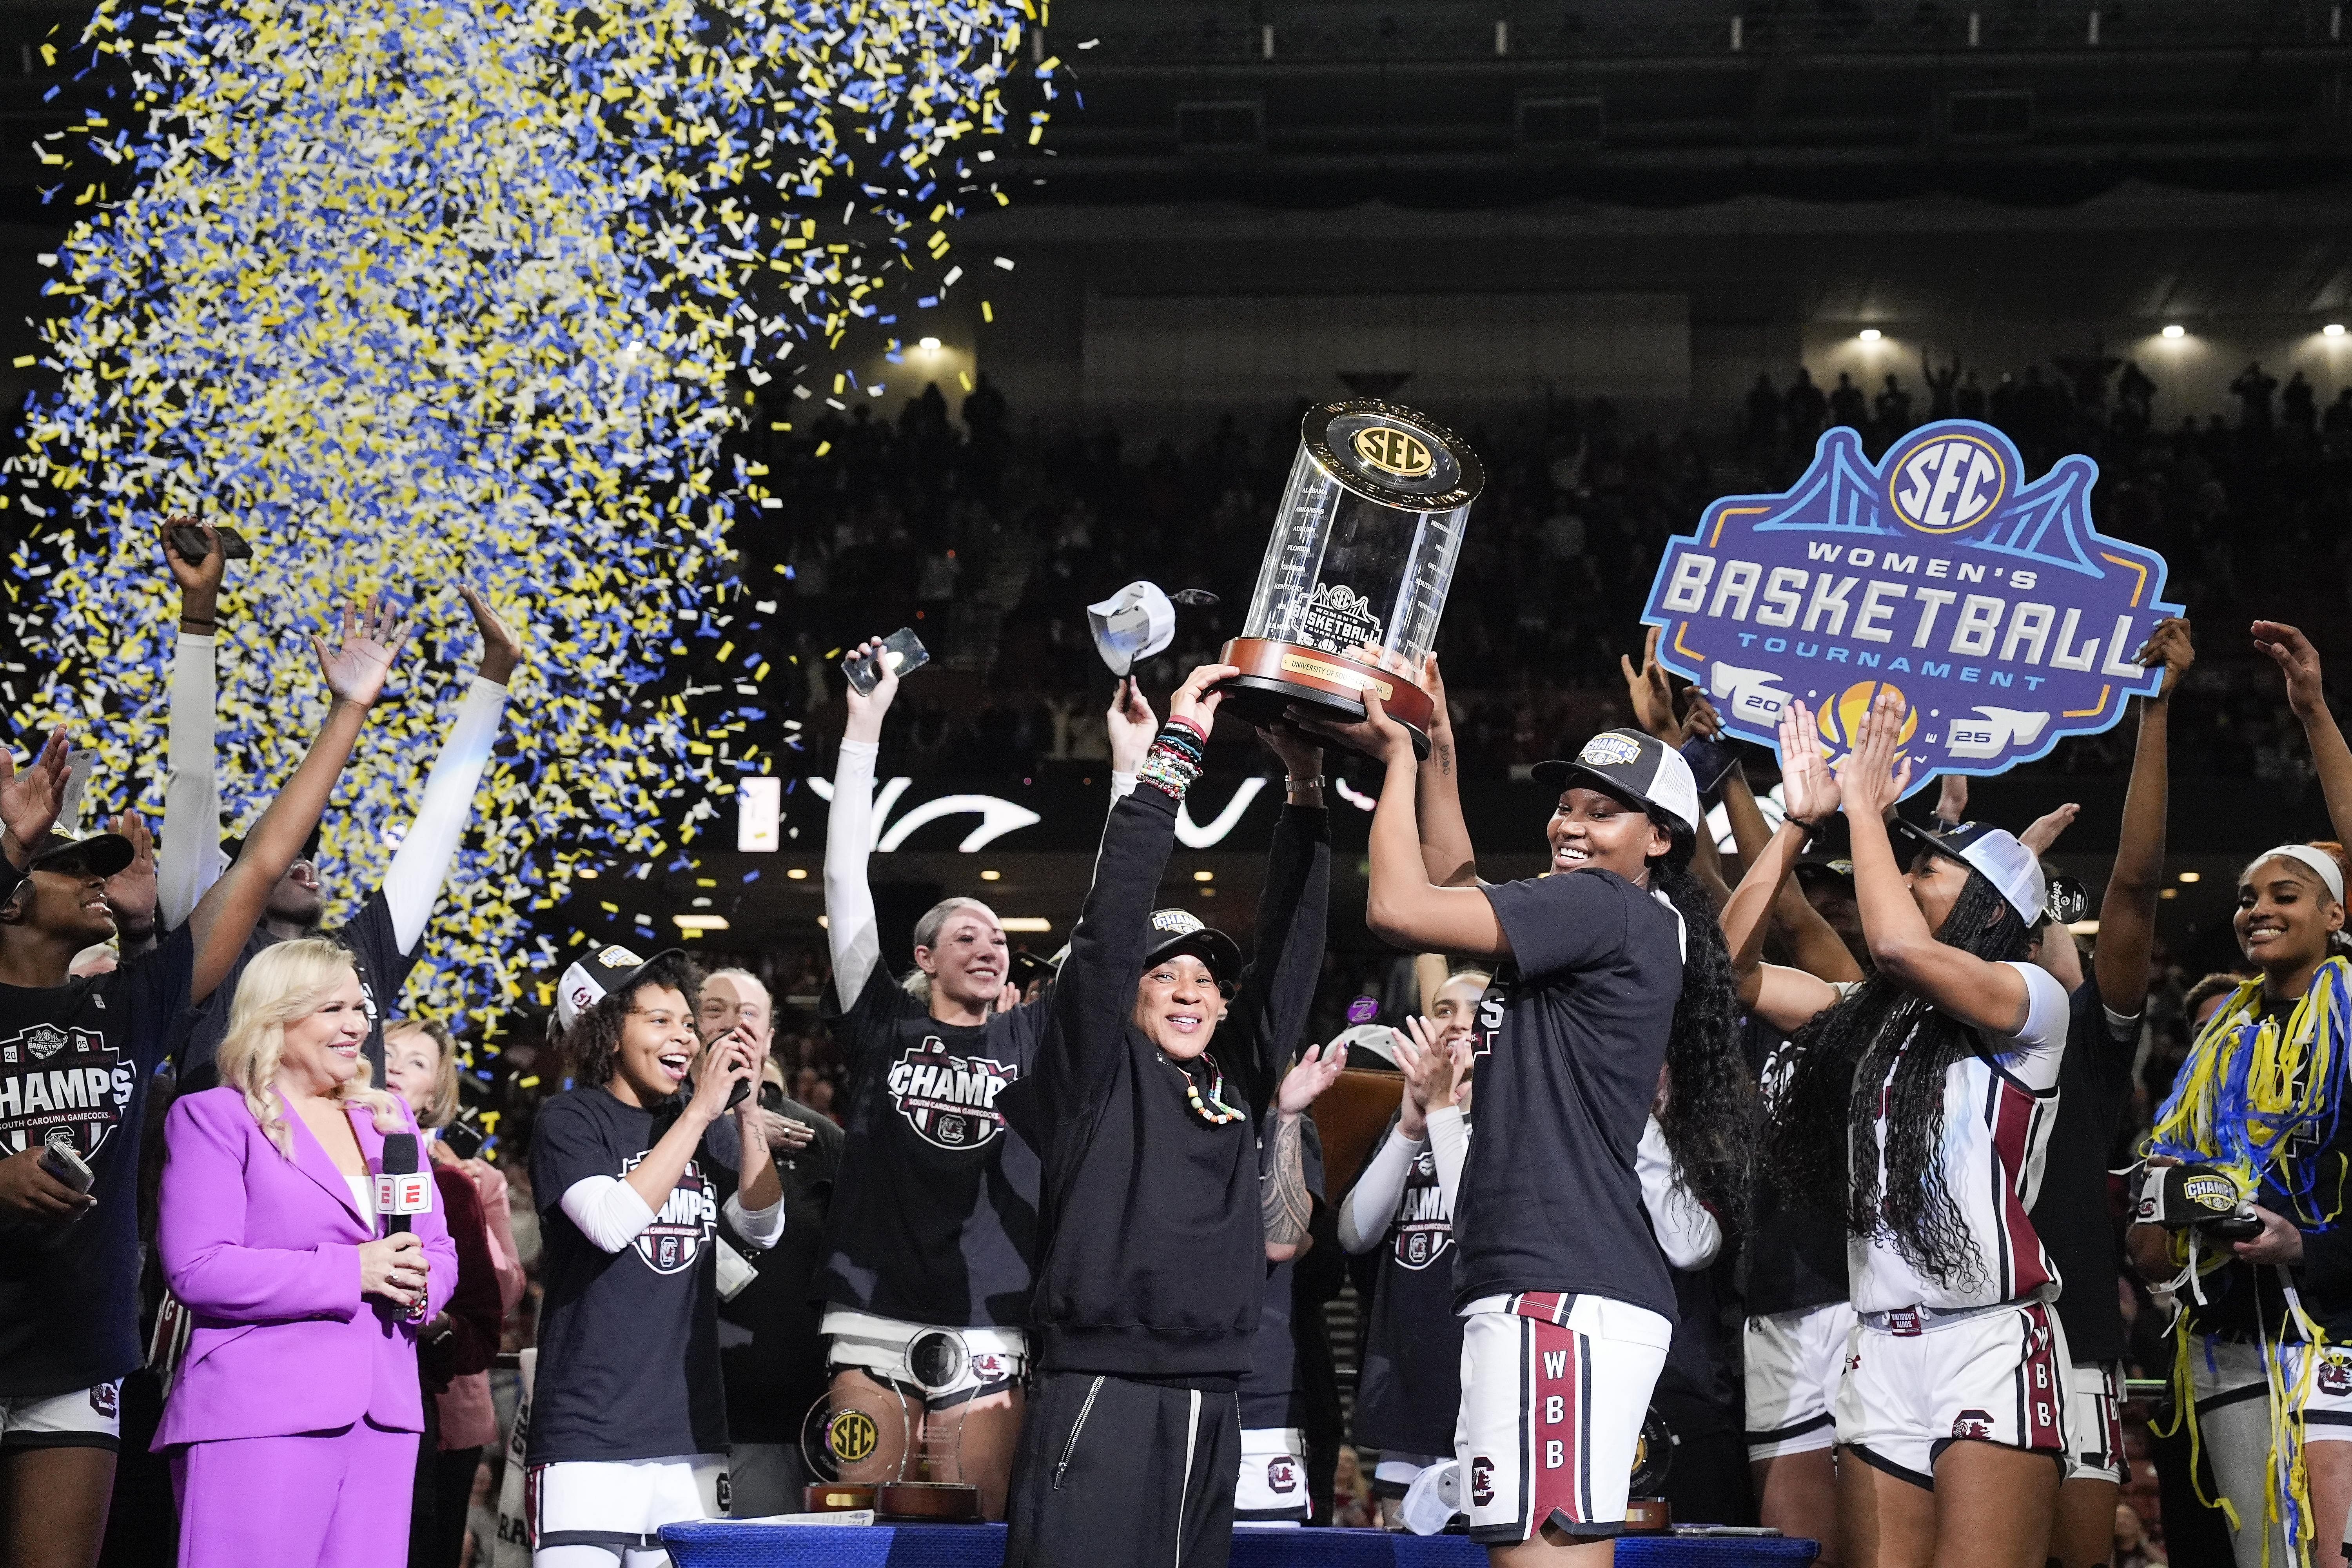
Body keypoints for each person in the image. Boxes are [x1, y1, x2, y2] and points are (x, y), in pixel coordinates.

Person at [1306, 652, 1752, 1563]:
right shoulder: (1609, 921)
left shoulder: (1606, 909)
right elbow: (1462, 881)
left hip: (1565, 1291)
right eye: (1566, 806)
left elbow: (1400, 905)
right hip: (1550, 1285)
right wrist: (1437, 755)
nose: (1571, 826)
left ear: (1661, 838)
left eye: (1604, 810)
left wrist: (1392, 764)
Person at [0, 593, 411, 1568]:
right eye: (78, 866)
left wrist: (347, 711)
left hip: (75, 1353)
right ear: (15, 893)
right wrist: (10, 845)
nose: (105, 877)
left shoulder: (127, 1004)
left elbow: (263, 860)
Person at [1002, 663, 1343, 1568]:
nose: (1191, 989)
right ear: (1126, 995)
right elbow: (1111, 927)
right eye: (1167, 974)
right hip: (1101, 1385)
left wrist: (1306, 790)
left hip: (1214, 1393)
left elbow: (1296, 946)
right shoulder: (1091, 1072)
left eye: (1206, 977)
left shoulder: (1237, 1073)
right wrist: (1172, 758)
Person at [1739, 694, 2072, 1568]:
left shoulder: (2033, 1004)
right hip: (1879, 1341)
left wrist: (1864, 807)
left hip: (1988, 1336)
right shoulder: (1866, 1018)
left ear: (1991, 908)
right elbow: (1733, 976)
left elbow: (1896, 945)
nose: (1911, 875)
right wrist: (1796, 831)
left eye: (1934, 867)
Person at [2129, 622, 2352, 1567]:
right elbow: (2157, 1179)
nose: (2257, 905)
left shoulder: (2349, 1009)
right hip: (2222, 1336)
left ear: (2339, 914)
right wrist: (2158, 1227)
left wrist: (2312, 712)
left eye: (2288, 892)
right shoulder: (2217, 1039)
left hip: (2334, 1327)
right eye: (2249, 894)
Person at [161, 525, 519, 1086]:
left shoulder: (361, 954)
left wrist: (494, 675)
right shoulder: (210, 950)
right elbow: (191, 788)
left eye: (308, 852)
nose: (303, 860)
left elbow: (439, 826)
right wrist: (199, 620)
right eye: (281, 856)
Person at [154, 938, 461, 1566]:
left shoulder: (389, 1119)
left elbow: (438, 1247)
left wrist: (422, 1288)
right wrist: (357, 1270)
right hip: (259, 1415)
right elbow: (198, 1266)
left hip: (386, 1416)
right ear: (276, 1016)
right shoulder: (214, 1118)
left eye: (359, 1009)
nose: (356, 1027)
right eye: (333, 1010)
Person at [2024, 618, 2192, 1568]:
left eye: (2064, 915)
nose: (2060, 927)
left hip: (2070, 1334)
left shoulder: (2087, 1035)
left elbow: (2133, 883)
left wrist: (2154, 710)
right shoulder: (1924, 1026)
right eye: (2038, 910)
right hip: (1942, 1340)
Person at [525, 947, 784, 1567]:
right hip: (588, 1434)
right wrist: (700, 1111)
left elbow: (763, 1225)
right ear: (609, 1032)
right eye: (660, 1021)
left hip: (691, 1432)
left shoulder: (699, 1123)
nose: (685, 1037)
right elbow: (611, 1224)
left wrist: (746, 1114)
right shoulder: (569, 1120)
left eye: (688, 1023)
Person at [690, 969, 846, 1519]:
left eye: (749, 1013)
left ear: (771, 1036)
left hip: (787, 1419)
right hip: (674, 1418)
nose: (734, 1024)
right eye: (715, 1011)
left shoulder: (817, 1139)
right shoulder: (657, 1128)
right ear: (689, 1027)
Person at [1338, 979, 1483, 1525]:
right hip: (1407, 1393)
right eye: (1442, 1009)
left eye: (1474, 1009)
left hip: (1479, 1397)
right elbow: (1356, 1235)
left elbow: (1476, 1223)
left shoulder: (1512, 1124)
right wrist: (1407, 1129)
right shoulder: (1405, 1130)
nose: (1455, 1021)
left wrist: (1447, 1110)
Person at [384, 1019, 517, 1568]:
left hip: (445, 1399)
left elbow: (500, 1291)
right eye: (387, 1052)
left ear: (438, 1092)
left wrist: (455, 1199)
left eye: (416, 1062)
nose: (394, 1066)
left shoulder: (467, 1182)